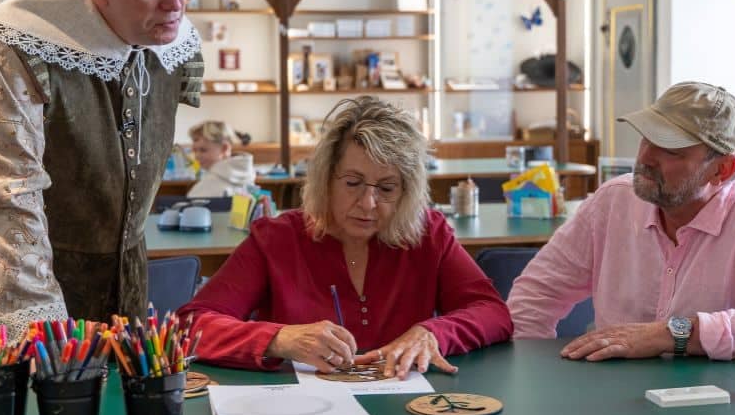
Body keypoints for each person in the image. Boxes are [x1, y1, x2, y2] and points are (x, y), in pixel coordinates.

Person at [0, 0, 204, 336]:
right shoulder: (20, 44)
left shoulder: (172, 41)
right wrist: (40, 328)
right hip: (29, 290)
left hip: (128, 291)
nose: (174, 4)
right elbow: (6, 194)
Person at [178, 96, 512, 378]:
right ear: (326, 179)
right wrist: (278, 338)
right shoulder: (277, 238)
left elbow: (493, 312)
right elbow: (191, 326)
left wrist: (433, 332)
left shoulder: (427, 233)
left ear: (407, 191)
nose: (368, 204)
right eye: (352, 183)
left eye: (386, 188)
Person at [508, 81, 735, 361]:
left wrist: (671, 335)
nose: (645, 157)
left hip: (718, 399)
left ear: (722, 169)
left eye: (670, 150)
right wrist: (530, 372)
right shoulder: (614, 201)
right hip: (612, 395)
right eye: (646, 139)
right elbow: (536, 295)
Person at [187, 121, 255, 197]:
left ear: (224, 148)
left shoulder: (210, 184)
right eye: (195, 150)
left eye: (203, 150)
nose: (197, 156)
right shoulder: (245, 171)